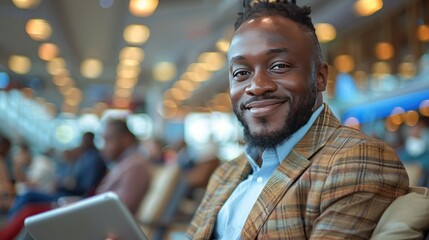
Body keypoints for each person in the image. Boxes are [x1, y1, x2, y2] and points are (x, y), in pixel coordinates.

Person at [187, 1, 409, 239]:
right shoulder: (226, 173)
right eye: (241, 73)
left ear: (320, 78)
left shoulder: (356, 160)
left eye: (279, 66)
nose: (257, 86)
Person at [0, 119, 151, 240]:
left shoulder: (135, 165)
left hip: (98, 220)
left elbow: (123, 208)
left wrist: (81, 205)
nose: (104, 147)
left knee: (31, 212)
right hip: (94, 212)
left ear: (125, 139)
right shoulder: (126, 163)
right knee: (31, 213)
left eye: (108, 140)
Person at [7, 132, 107, 218]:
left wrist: (64, 185)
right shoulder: (87, 158)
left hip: (72, 197)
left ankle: (8, 224)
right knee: (27, 197)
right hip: (68, 193)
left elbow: (85, 188)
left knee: (28, 196)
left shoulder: (92, 159)